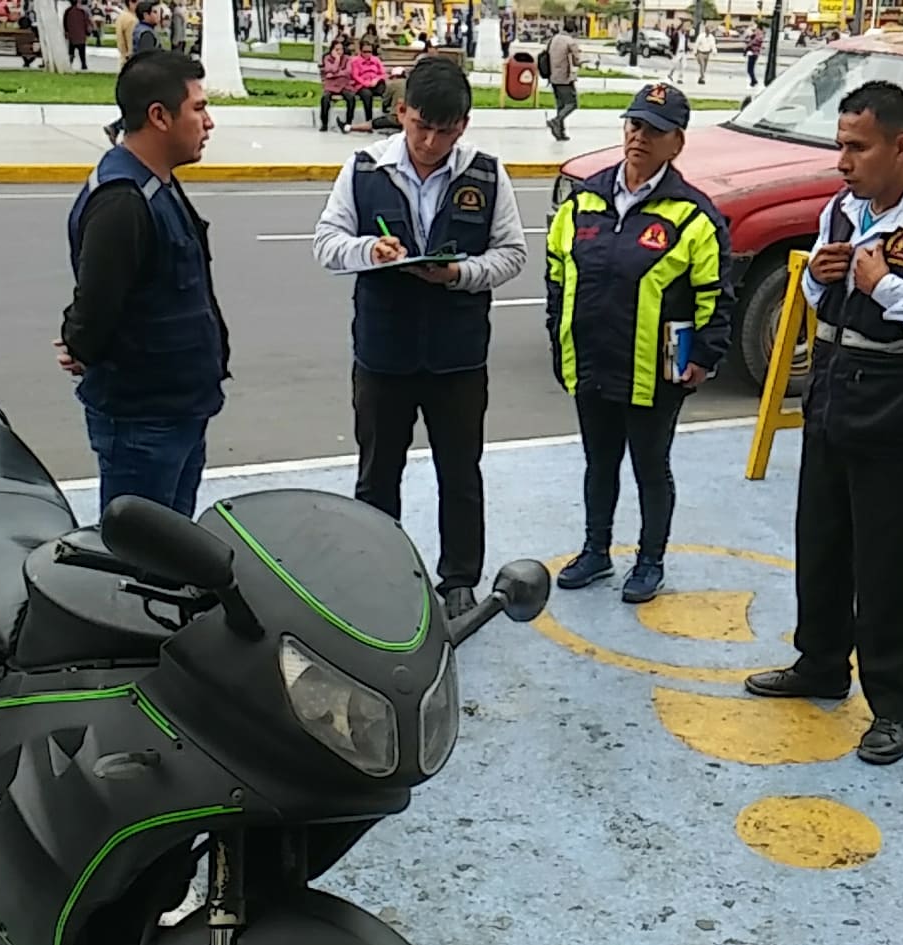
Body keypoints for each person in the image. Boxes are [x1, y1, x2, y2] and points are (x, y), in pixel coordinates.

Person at [742, 81, 903, 766]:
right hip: (832, 393)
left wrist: (889, 288)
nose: (843, 162)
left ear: (902, 146)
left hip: (900, 406)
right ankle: (820, 663)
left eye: (857, 147)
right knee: (821, 543)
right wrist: (819, 279)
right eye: (840, 146)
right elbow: (816, 293)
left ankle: (893, 705)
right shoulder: (843, 210)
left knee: (890, 564)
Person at [312, 57, 529, 619]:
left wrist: (459, 275)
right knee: (378, 472)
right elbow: (326, 243)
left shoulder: (485, 173)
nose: (431, 141)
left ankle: (459, 578)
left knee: (461, 471)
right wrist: (369, 251)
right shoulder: (363, 169)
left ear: (464, 124)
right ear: (402, 112)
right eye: (420, 126)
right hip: (384, 354)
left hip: (457, 357)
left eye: (446, 130)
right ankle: (378, 575)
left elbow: (511, 254)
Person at [545, 83, 734, 603]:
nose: (639, 137)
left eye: (654, 130)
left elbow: (714, 294)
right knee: (598, 462)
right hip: (592, 361)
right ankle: (596, 551)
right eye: (634, 125)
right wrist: (556, 334)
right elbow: (558, 275)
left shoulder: (693, 216)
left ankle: (650, 561)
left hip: (654, 371)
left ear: (677, 143)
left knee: (651, 466)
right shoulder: (585, 200)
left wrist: (704, 356)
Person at [56, 51, 231, 519]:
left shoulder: (157, 182)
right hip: (143, 423)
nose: (208, 122)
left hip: (178, 412)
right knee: (140, 564)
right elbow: (95, 304)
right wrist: (79, 342)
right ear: (158, 116)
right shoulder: (122, 201)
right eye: (198, 108)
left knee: (172, 553)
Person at [104, 1, 165, 144]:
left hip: (137, 73)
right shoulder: (146, 34)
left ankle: (119, 129)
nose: (158, 16)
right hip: (145, 77)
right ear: (146, 15)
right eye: (155, 13)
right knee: (144, 109)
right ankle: (121, 130)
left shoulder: (140, 29)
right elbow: (147, 57)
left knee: (141, 108)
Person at [544, 19, 580, 141]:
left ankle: (560, 133)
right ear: (574, 31)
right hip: (565, 78)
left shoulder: (554, 39)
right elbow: (577, 61)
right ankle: (556, 121)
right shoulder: (570, 42)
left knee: (560, 105)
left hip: (553, 77)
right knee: (572, 104)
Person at [62, 0, 92, 70]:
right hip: (81, 35)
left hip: (72, 35)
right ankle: (83, 65)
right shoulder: (82, 11)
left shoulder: (67, 11)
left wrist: (66, 32)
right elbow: (86, 22)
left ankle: (70, 63)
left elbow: (65, 22)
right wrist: (88, 32)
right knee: (82, 52)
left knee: (71, 51)